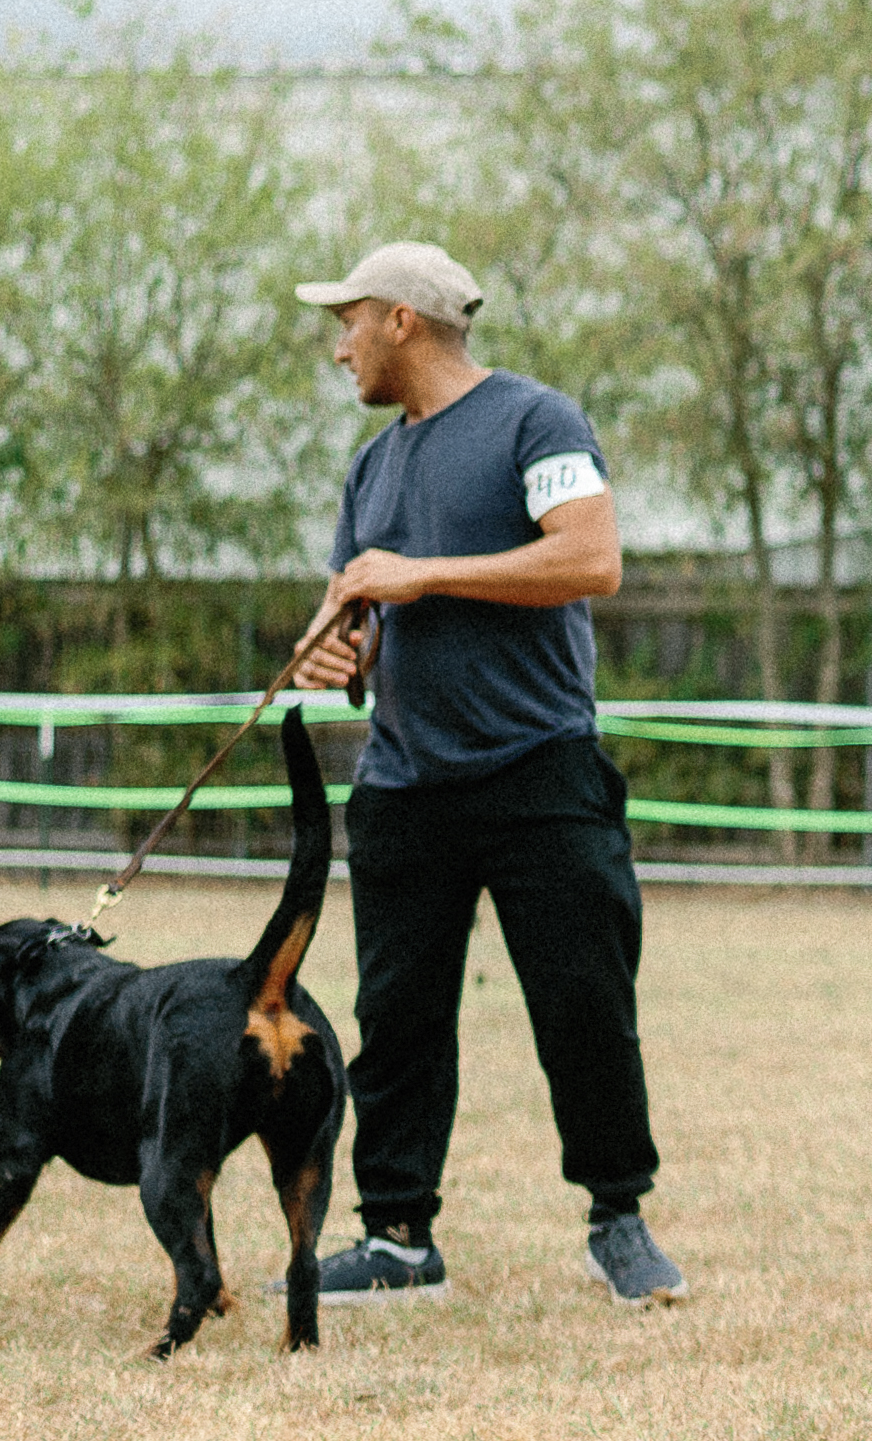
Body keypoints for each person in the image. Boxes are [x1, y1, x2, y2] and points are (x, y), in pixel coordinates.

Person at [280, 241, 683, 1309]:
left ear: (402, 322)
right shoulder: (371, 468)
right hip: (405, 783)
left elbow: (592, 559)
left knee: (583, 1005)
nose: (339, 348)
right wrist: (337, 651)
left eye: (349, 322)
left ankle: (619, 1219)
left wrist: (423, 575)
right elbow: (348, 615)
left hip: (539, 771)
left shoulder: (536, 422)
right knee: (397, 1017)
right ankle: (399, 1238)